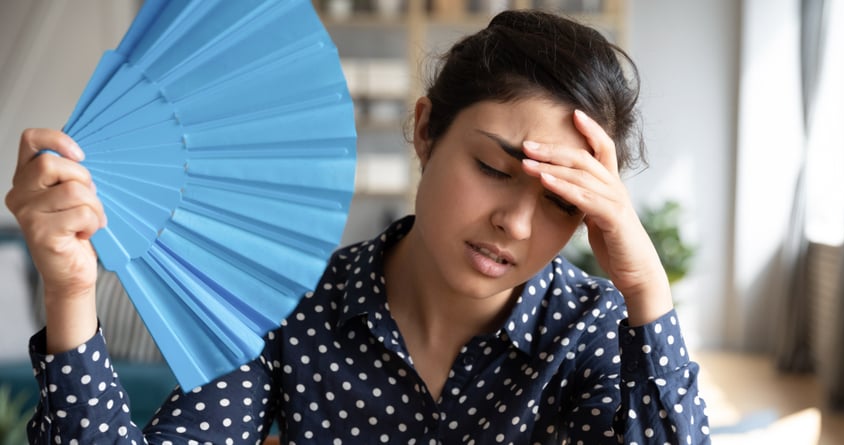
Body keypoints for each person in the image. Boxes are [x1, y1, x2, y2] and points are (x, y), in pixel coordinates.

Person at [6, 9, 711, 444]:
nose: (515, 221)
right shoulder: (293, 309)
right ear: (426, 129)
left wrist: (646, 286)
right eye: (495, 169)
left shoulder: (588, 329)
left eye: (563, 200)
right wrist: (70, 292)